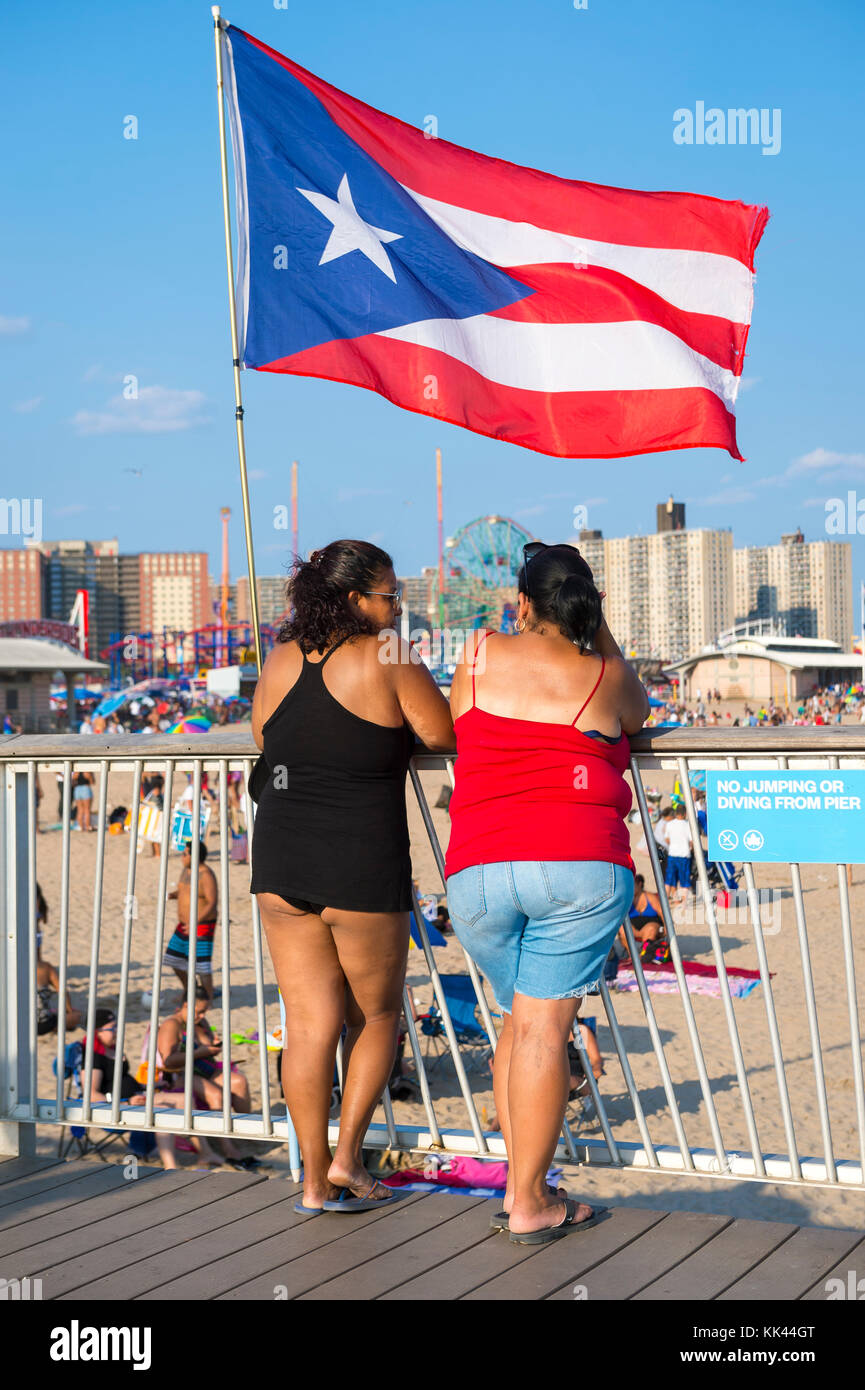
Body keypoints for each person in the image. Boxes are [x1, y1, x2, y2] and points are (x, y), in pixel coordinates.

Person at [445, 541, 648, 1242]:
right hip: (575, 866)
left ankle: (518, 1185)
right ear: (586, 607)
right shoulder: (600, 673)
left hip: (475, 874)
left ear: (521, 603)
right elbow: (639, 712)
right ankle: (529, 1200)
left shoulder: (474, 653)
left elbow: (456, 727)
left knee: (516, 1022)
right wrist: (600, 630)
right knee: (541, 1029)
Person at [251, 539, 454, 1214]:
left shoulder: (278, 658)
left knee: (308, 1024)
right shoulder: (389, 655)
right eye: (389, 595)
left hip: (279, 859)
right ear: (353, 599)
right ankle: (346, 1159)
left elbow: (262, 738)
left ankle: (310, 1182)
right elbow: (439, 734)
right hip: (358, 859)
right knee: (376, 1015)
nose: (398, 607)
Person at [164, 841, 218, 1004]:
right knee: (174, 959)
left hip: (201, 925)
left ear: (194, 855)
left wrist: (196, 922)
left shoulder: (206, 874)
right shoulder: (186, 871)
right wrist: (171, 895)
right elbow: (183, 890)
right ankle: (190, 991)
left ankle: (207, 1000)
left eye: (185, 853)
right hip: (184, 925)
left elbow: (211, 902)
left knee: (202, 966)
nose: (182, 857)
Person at [35, 883, 81, 1035]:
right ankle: (57, 1025)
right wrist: (69, 1010)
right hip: (42, 1024)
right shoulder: (46, 968)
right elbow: (63, 991)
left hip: (17, 1022)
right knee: (76, 1016)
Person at [664, 805, 692, 905]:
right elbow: (691, 840)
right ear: (685, 813)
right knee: (684, 880)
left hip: (672, 854)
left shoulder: (670, 824)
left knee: (669, 879)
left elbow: (667, 839)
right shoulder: (688, 824)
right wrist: (690, 847)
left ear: (676, 813)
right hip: (684, 855)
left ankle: (667, 901)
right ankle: (684, 903)